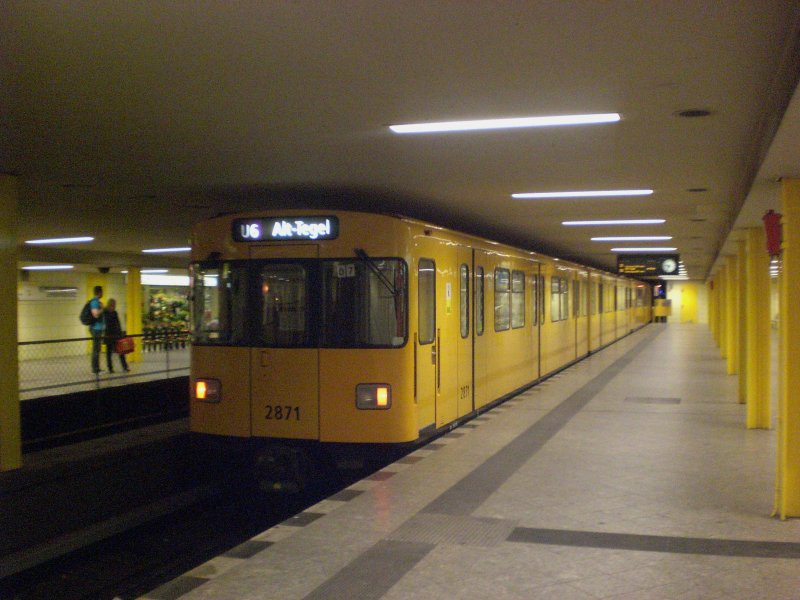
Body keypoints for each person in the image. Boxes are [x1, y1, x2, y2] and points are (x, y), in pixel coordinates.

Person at [103, 298, 129, 373]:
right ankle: (110, 368)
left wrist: (120, 333)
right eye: (113, 305)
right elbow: (108, 323)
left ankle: (125, 367)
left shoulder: (114, 312)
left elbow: (118, 323)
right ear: (110, 304)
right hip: (109, 335)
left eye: (114, 305)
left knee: (121, 351)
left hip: (115, 335)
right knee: (109, 353)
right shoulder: (105, 312)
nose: (114, 307)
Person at [88, 286, 104, 374]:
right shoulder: (94, 302)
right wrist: (102, 309)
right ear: (99, 292)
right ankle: (95, 369)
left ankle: (97, 368)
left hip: (98, 328)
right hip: (95, 328)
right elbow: (95, 315)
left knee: (97, 349)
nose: (103, 294)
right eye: (102, 292)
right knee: (96, 350)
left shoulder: (97, 302)